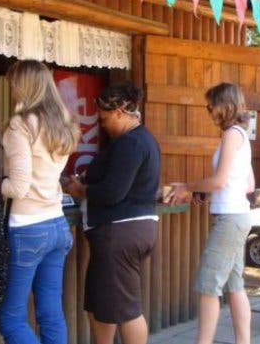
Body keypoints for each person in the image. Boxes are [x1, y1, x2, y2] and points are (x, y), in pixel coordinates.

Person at [0, 60, 80, 344]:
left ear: (23, 87)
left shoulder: (20, 125)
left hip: (28, 229)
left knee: (10, 320)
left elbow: (17, 187)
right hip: (57, 225)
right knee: (51, 315)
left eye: (14, 85)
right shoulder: (62, 124)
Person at [64, 82, 160, 344]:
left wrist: (80, 190)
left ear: (120, 111)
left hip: (120, 234)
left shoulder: (131, 143)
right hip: (119, 233)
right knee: (99, 306)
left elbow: (112, 192)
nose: (102, 124)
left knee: (127, 310)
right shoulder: (135, 140)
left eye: (105, 118)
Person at [166, 82, 254, 344]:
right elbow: (246, 184)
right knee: (235, 286)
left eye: (211, 105)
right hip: (237, 215)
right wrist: (207, 194)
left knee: (208, 286)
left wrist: (188, 187)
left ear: (224, 105)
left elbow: (219, 181)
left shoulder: (231, 135)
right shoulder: (241, 135)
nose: (209, 111)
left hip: (230, 219)